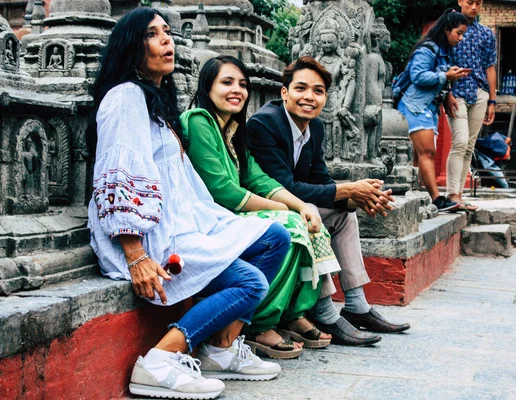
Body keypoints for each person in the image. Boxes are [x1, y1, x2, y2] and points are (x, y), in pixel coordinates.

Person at [87, 8, 290, 399]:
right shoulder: (126, 96)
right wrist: (135, 254)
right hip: (145, 238)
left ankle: (220, 350)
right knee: (251, 283)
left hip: (183, 225)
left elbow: (187, 189)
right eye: (153, 34)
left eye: (169, 32)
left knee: (274, 238)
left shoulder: (157, 106)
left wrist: (223, 226)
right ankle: (160, 360)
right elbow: (117, 169)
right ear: (132, 46)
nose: (167, 40)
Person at [181, 55, 338, 359]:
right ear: (207, 86)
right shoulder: (200, 121)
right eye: (227, 82)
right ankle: (259, 323)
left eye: (242, 84)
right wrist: (284, 211)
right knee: (286, 228)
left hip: (226, 216)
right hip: (206, 219)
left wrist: (301, 205)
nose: (236, 90)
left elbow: (258, 178)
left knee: (306, 223)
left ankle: (292, 313)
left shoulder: (233, 130)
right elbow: (223, 191)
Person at [247, 56, 411, 347]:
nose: (309, 97)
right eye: (301, 89)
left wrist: (360, 199)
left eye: (318, 91)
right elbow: (285, 187)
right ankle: (323, 311)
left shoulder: (316, 128)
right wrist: (349, 190)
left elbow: (320, 181)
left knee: (345, 215)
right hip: (264, 209)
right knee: (312, 219)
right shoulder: (264, 124)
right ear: (284, 92)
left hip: (294, 203)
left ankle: (356, 305)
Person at [397, 9, 470, 212]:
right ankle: (437, 198)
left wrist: (448, 94)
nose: (461, 38)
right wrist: (446, 77)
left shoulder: (444, 52)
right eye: (459, 33)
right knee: (427, 152)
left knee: (419, 155)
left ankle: (415, 194)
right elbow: (418, 76)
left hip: (428, 107)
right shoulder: (428, 49)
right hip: (415, 105)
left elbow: (439, 79)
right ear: (447, 30)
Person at [445, 0, 497, 211]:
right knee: (460, 140)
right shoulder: (448, 27)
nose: (474, 7)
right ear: (460, 1)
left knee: (469, 145)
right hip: (456, 91)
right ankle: (451, 194)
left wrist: (492, 100)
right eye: (469, 2)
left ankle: (460, 193)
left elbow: (490, 67)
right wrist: (445, 92)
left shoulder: (486, 34)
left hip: (479, 92)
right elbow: (441, 60)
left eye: (478, 2)